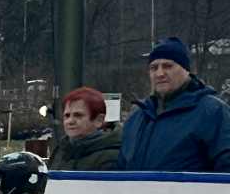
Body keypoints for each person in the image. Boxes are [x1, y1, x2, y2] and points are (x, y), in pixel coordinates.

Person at [121, 38, 230, 172]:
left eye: (168, 66)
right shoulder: (136, 117)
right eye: (153, 68)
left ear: (187, 70)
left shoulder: (213, 112)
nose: (160, 73)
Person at [51, 87, 122, 170]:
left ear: (99, 120)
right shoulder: (60, 151)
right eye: (67, 116)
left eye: (78, 115)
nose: (70, 121)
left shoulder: (111, 158)